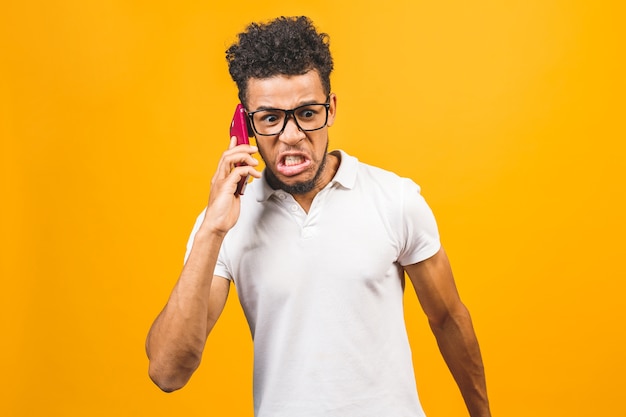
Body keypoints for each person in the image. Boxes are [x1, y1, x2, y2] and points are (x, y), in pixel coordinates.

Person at [146, 16, 491, 417]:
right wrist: (212, 229)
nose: (291, 135)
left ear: (331, 108)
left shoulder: (394, 199)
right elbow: (168, 372)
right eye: (270, 118)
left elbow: (448, 319)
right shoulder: (224, 223)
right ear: (245, 124)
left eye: (307, 113)